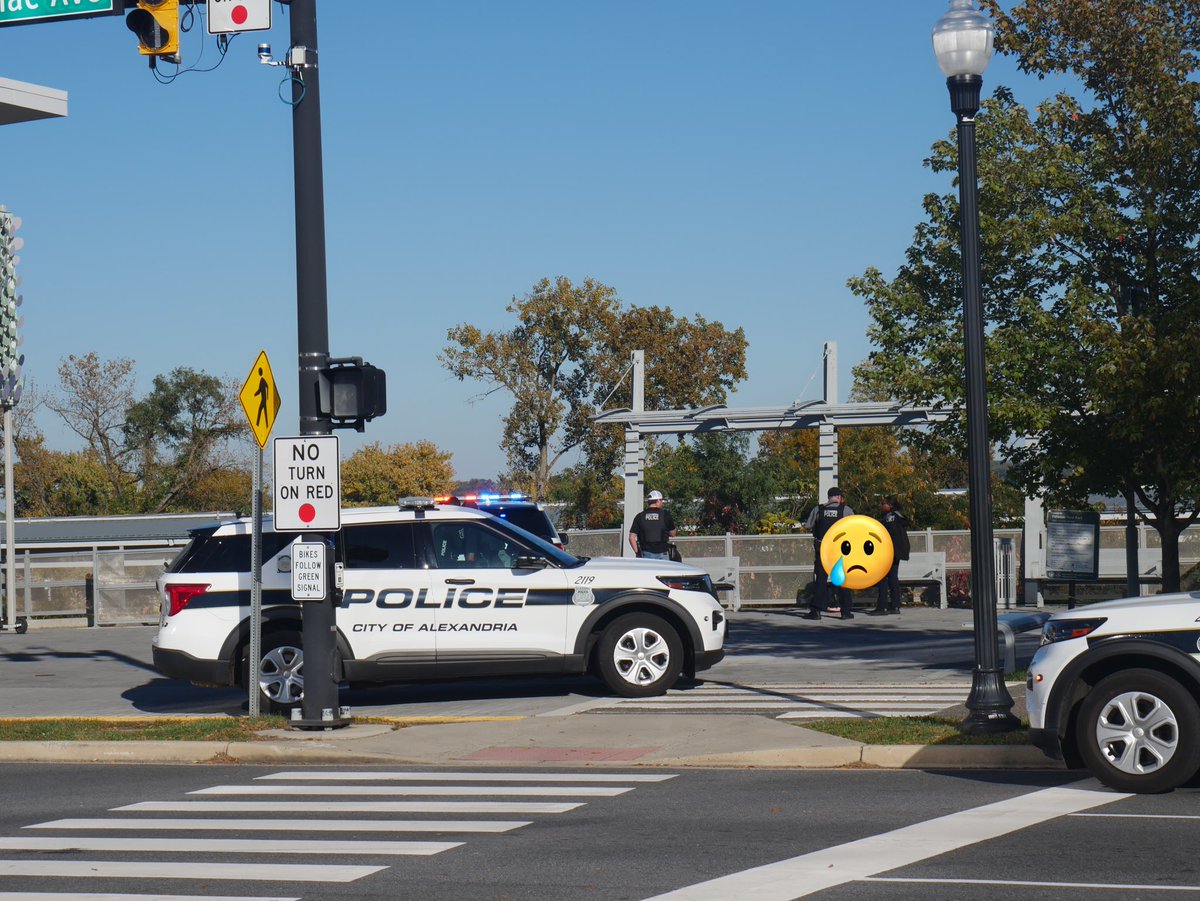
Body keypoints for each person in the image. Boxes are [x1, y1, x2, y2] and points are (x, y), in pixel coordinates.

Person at [802, 486, 854, 620]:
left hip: (823, 551)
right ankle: (846, 611)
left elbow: (808, 525)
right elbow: (854, 527)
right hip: (840, 551)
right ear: (839, 497)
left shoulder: (818, 509)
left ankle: (816, 612)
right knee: (842, 580)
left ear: (829, 497)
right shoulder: (845, 510)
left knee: (821, 580)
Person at [870, 495, 911, 615]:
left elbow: (888, 533)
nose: (881, 506)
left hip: (889, 551)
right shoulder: (898, 515)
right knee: (893, 578)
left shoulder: (890, 517)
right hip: (896, 551)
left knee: (882, 578)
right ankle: (895, 606)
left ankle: (882, 607)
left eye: (883, 503)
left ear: (890, 506)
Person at [629, 490, 677, 560]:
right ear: (658, 501)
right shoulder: (666, 515)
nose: (662, 503)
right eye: (661, 500)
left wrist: (638, 553)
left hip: (646, 553)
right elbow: (673, 534)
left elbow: (631, 537)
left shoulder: (640, 516)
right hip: (663, 552)